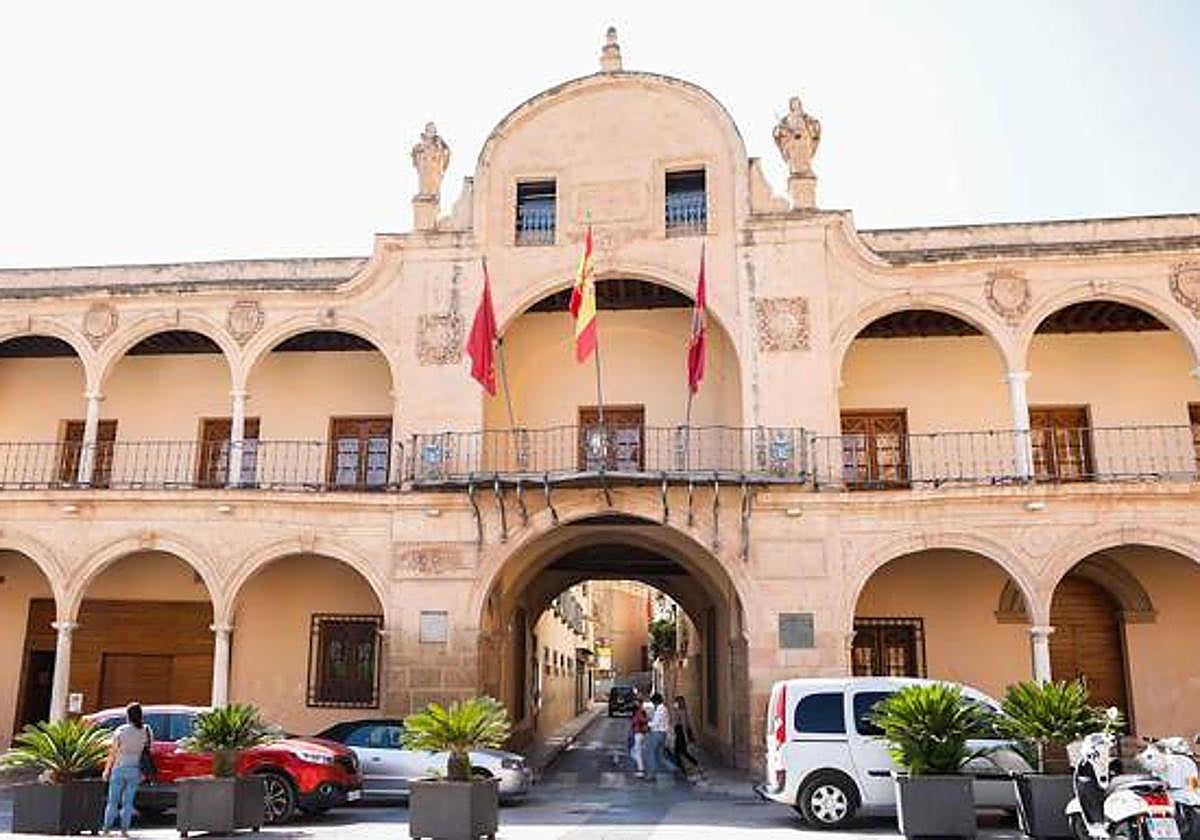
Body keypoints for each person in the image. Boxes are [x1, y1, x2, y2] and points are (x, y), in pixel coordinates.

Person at [101, 702, 152, 837]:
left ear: (128, 716)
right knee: (128, 802)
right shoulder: (146, 731)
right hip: (135, 769)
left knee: (113, 801)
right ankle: (124, 830)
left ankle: (106, 829)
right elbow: (147, 750)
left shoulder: (121, 731)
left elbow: (112, 753)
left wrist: (107, 770)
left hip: (119, 768)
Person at [672, 696, 704, 779]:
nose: (675, 703)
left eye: (676, 702)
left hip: (681, 733)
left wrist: (686, 736)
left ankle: (693, 764)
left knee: (682, 751)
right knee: (678, 751)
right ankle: (681, 768)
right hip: (679, 733)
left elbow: (684, 725)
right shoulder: (678, 711)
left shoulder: (682, 711)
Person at [645, 693, 671, 781]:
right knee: (660, 756)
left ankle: (652, 774)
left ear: (656, 702)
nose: (653, 704)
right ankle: (674, 769)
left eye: (653, 702)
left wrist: (647, 723)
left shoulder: (659, 710)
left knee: (651, 754)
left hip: (656, 733)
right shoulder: (665, 709)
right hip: (663, 733)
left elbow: (655, 723)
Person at [629, 702, 649, 778]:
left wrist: (635, 722)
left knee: (636, 752)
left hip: (638, 734)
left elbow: (642, 720)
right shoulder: (641, 712)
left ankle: (641, 769)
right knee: (636, 751)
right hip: (640, 733)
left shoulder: (638, 713)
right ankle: (640, 767)